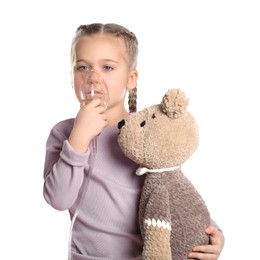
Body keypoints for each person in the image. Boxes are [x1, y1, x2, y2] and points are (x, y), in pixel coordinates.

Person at [43, 23, 225, 260]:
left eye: (107, 67)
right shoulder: (64, 133)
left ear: (131, 79)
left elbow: (173, 190)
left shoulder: (146, 134)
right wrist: (78, 138)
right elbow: (59, 199)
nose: (92, 77)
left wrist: (213, 233)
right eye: (83, 67)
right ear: (72, 76)